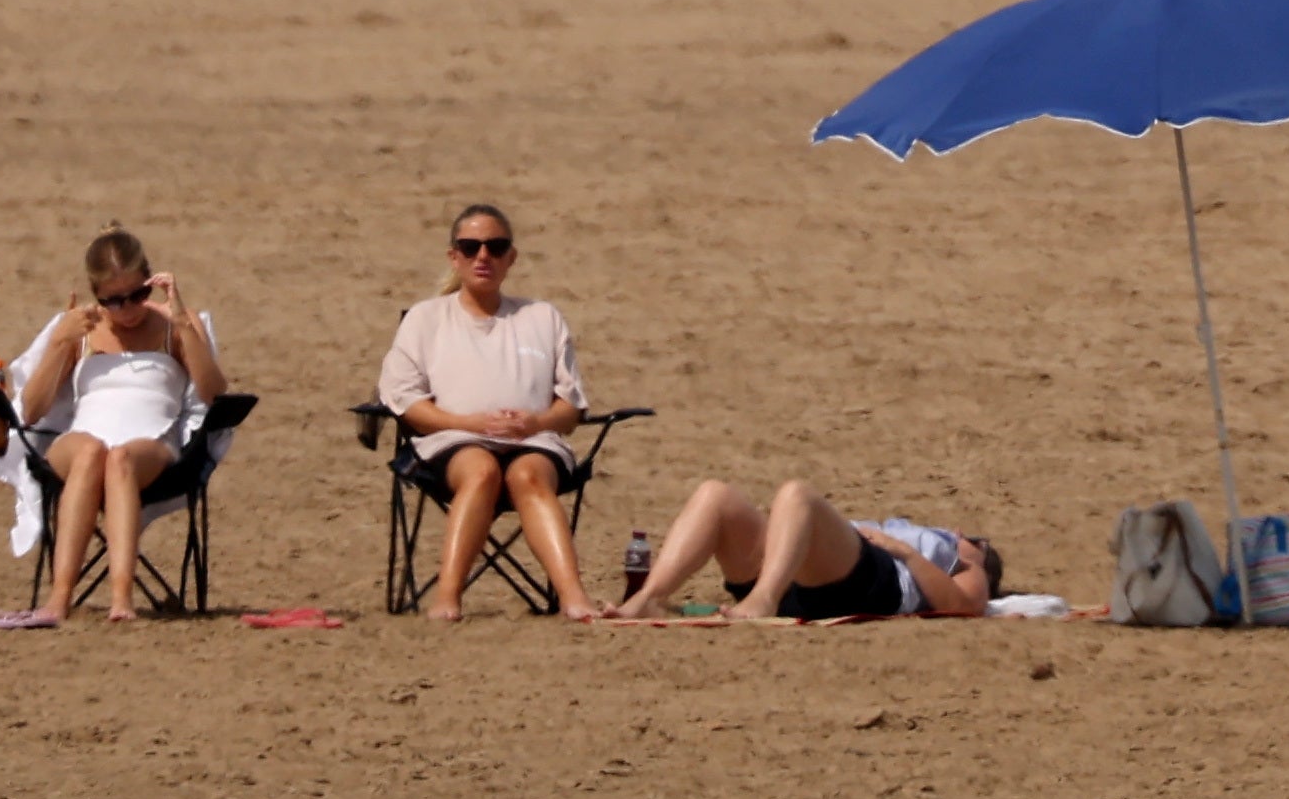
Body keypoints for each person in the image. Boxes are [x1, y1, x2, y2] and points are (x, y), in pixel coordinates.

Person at [374, 202, 593, 620]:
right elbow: (403, 400)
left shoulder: (542, 317)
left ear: (512, 257)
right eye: (470, 247)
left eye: (496, 247)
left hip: (534, 441)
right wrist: (467, 423)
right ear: (453, 256)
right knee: (481, 471)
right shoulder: (426, 319)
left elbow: (572, 407)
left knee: (526, 475)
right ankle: (447, 598)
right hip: (452, 441)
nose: (483, 257)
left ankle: (573, 598)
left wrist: (537, 422)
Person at [7, 228, 225, 622]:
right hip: (81, 441)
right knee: (93, 451)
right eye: (114, 300)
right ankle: (58, 599)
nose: (127, 309)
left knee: (119, 458)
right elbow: (32, 411)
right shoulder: (81, 329)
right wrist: (61, 341)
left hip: (150, 444)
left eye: (138, 295)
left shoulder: (176, 324)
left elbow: (213, 394)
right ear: (96, 293)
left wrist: (183, 325)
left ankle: (121, 598)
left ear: (152, 282)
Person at [581, 475, 1002, 624]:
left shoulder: (966, 561)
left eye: (973, 538)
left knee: (796, 495)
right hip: (809, 577)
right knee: (717, 495)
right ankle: (648, 599)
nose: (961, 532)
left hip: (875, 583)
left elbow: (965, 607)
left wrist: (905, 552)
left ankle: (763, 599)